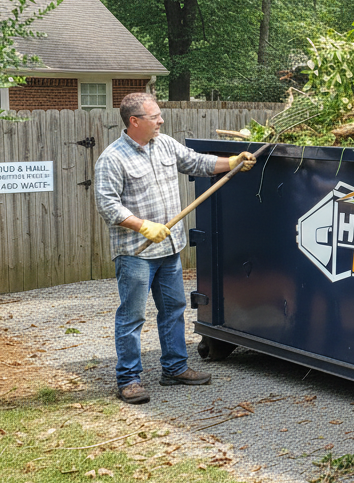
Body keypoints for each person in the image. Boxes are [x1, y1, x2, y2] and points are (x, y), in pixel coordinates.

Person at [94, 92, 256, 404]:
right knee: (132, 317)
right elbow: (107, 205)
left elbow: (196, 162)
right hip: (136, 253)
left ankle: (174, 368)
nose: (161, 120)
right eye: (155, 116)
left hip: (169, 248)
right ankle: (128, 379)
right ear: (134, 121)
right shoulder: (112, 159)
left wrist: (232, 162)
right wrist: (142, 225)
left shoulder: (165, 144)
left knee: (173, 310)